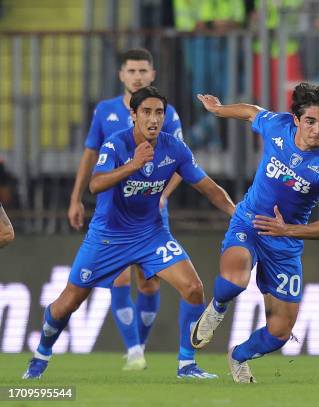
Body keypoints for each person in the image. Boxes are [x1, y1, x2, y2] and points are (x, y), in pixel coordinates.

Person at [23, 86, 235, 380]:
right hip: (108, 237)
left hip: (151, 235)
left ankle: (187, 365)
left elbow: (210, 190)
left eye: (159, 113)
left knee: (194, 288)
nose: (153, 119)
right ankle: (42, 353)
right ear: (133, 115)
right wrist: (133, 164)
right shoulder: (116, 144)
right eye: (146, 112)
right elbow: (95, 185)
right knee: (68, 302)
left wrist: (238, 216)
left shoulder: (175, 149)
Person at [190, 82, 319, 383]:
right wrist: (219, 109)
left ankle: (238, 356)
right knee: (236, 279)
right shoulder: (278, 126)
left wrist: (285, 229)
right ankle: (217, 308)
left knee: (279, 333)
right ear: (296, 120)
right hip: (249, 222)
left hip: (285, 240)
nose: (317, 129)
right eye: (310, 121)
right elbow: (252, 112)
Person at [67, 48, 184, 370]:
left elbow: (181, 161)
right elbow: (90, 157)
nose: (137, 76)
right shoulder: (104, 111)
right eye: (131, 71)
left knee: (148, 282)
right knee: (118, 277)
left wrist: (163, 195)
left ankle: (140, 346)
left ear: (152, 74)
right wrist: (76, 197)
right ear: (121, 75)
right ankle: (134, 351)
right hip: (115, 210)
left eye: (143, 71)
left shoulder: (166, 113)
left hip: (151, 207)